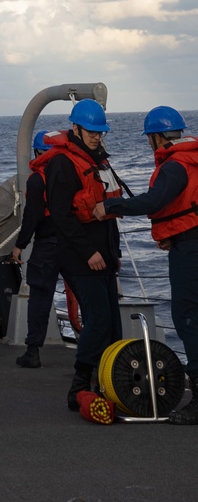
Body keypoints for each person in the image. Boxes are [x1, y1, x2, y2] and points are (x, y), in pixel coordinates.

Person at [96, 106, 198, 425]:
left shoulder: (174, 166)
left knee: (187, 315)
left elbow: (154, 202)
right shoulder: (192, 160)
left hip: (190, 249)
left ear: (155, 138)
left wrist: (111, 205)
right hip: (188, 240)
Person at [39, 99, 124, 411]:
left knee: (112, 322)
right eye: (91, 131)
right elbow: (61, 217)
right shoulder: (63, 163)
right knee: (99, 319)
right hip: (81, 257)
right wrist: (89, 252)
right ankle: (79, 384)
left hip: (104, 255)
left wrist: (112, 253)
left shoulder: (98, 160)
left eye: (100, 132)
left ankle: (110, 382)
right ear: (75, 128)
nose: (96, 137)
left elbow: (108, 212)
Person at [11, 129, 63, 370]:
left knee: (40, 297)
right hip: (75, 244)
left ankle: (33, 351)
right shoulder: (69, 173)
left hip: (47, 245)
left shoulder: (37, 179)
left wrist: (20, 245)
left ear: (38, 152)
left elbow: (32, 217)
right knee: (85, 296)